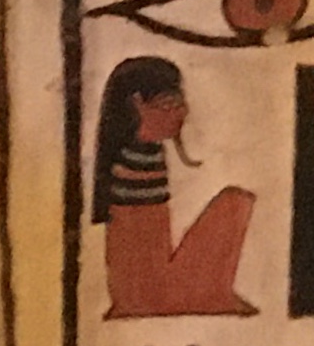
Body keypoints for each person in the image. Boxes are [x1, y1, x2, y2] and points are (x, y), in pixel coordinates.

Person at [90, 57, 256, 317]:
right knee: (235, 203)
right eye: (169, 103)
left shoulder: (146, 153)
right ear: (137, 104)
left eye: (180, 103)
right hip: (152, 294)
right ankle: (205, 295)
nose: (183, 112)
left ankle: (203, 293)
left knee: (235, 201)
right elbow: (143, 259)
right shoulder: (133, 162)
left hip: (152, 288)